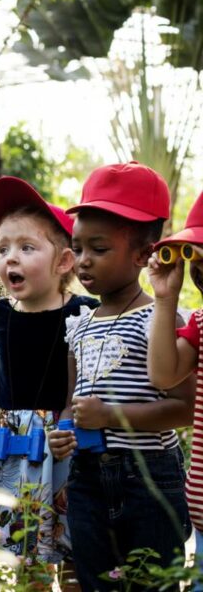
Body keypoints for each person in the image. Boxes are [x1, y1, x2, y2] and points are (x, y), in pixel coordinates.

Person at [0, 177, 97, 576]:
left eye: (27, 247)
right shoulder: (2, 313)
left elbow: (94, 377)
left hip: (61, 443)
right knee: (21, 551)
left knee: (72, 544)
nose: (11, 257)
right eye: (2, 248)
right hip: (7, 446)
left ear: (63, 262)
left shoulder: (83, 312)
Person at [47, 162, 193, 592]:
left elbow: (184, 409)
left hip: (148, 478)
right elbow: (72, 403)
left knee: (153, 583)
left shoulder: (160, 319)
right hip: (86, 478)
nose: (83, 260)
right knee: (95, 582)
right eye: (78, 247)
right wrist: (62, 430)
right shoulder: (80, 323)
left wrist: (110, 415)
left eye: (99, 248)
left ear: (144, 255)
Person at [146, 191, 203, 592]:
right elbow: (163, 375)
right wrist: (166, 300)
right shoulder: (201, 323)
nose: (199, 271)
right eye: (196, 261)